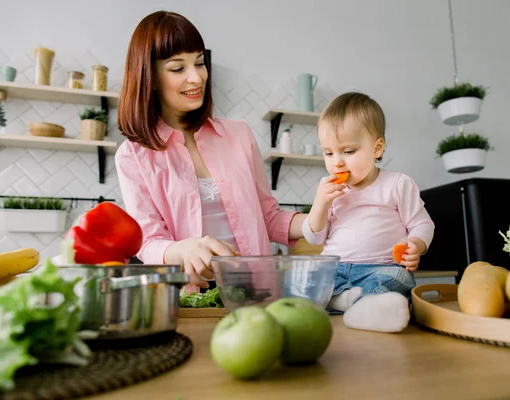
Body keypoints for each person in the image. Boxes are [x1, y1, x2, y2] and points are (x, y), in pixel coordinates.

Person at [115, 11, 306, 290]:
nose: (196, 77)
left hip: (257, 290)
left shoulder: (239, 135)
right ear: (151, 76)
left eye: (200, 63)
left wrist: (320, 217)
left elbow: (269, 218)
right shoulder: (133, 155)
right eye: (178, 68)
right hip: (192, 295)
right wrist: (185, 249)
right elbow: (148, 240)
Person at [303, 92, 434, 332]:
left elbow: (423, 224)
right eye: (329, 153)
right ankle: (354, 303)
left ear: (377, 148)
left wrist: (416, 243)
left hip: (382, 267)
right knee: (307, 278)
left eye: (349, 151)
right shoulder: (328, 189)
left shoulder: (397, 184)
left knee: (397, 280)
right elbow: (315, 237)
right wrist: (320, 204)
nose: (337, 163)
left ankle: (352, 304)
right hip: (335, 268)